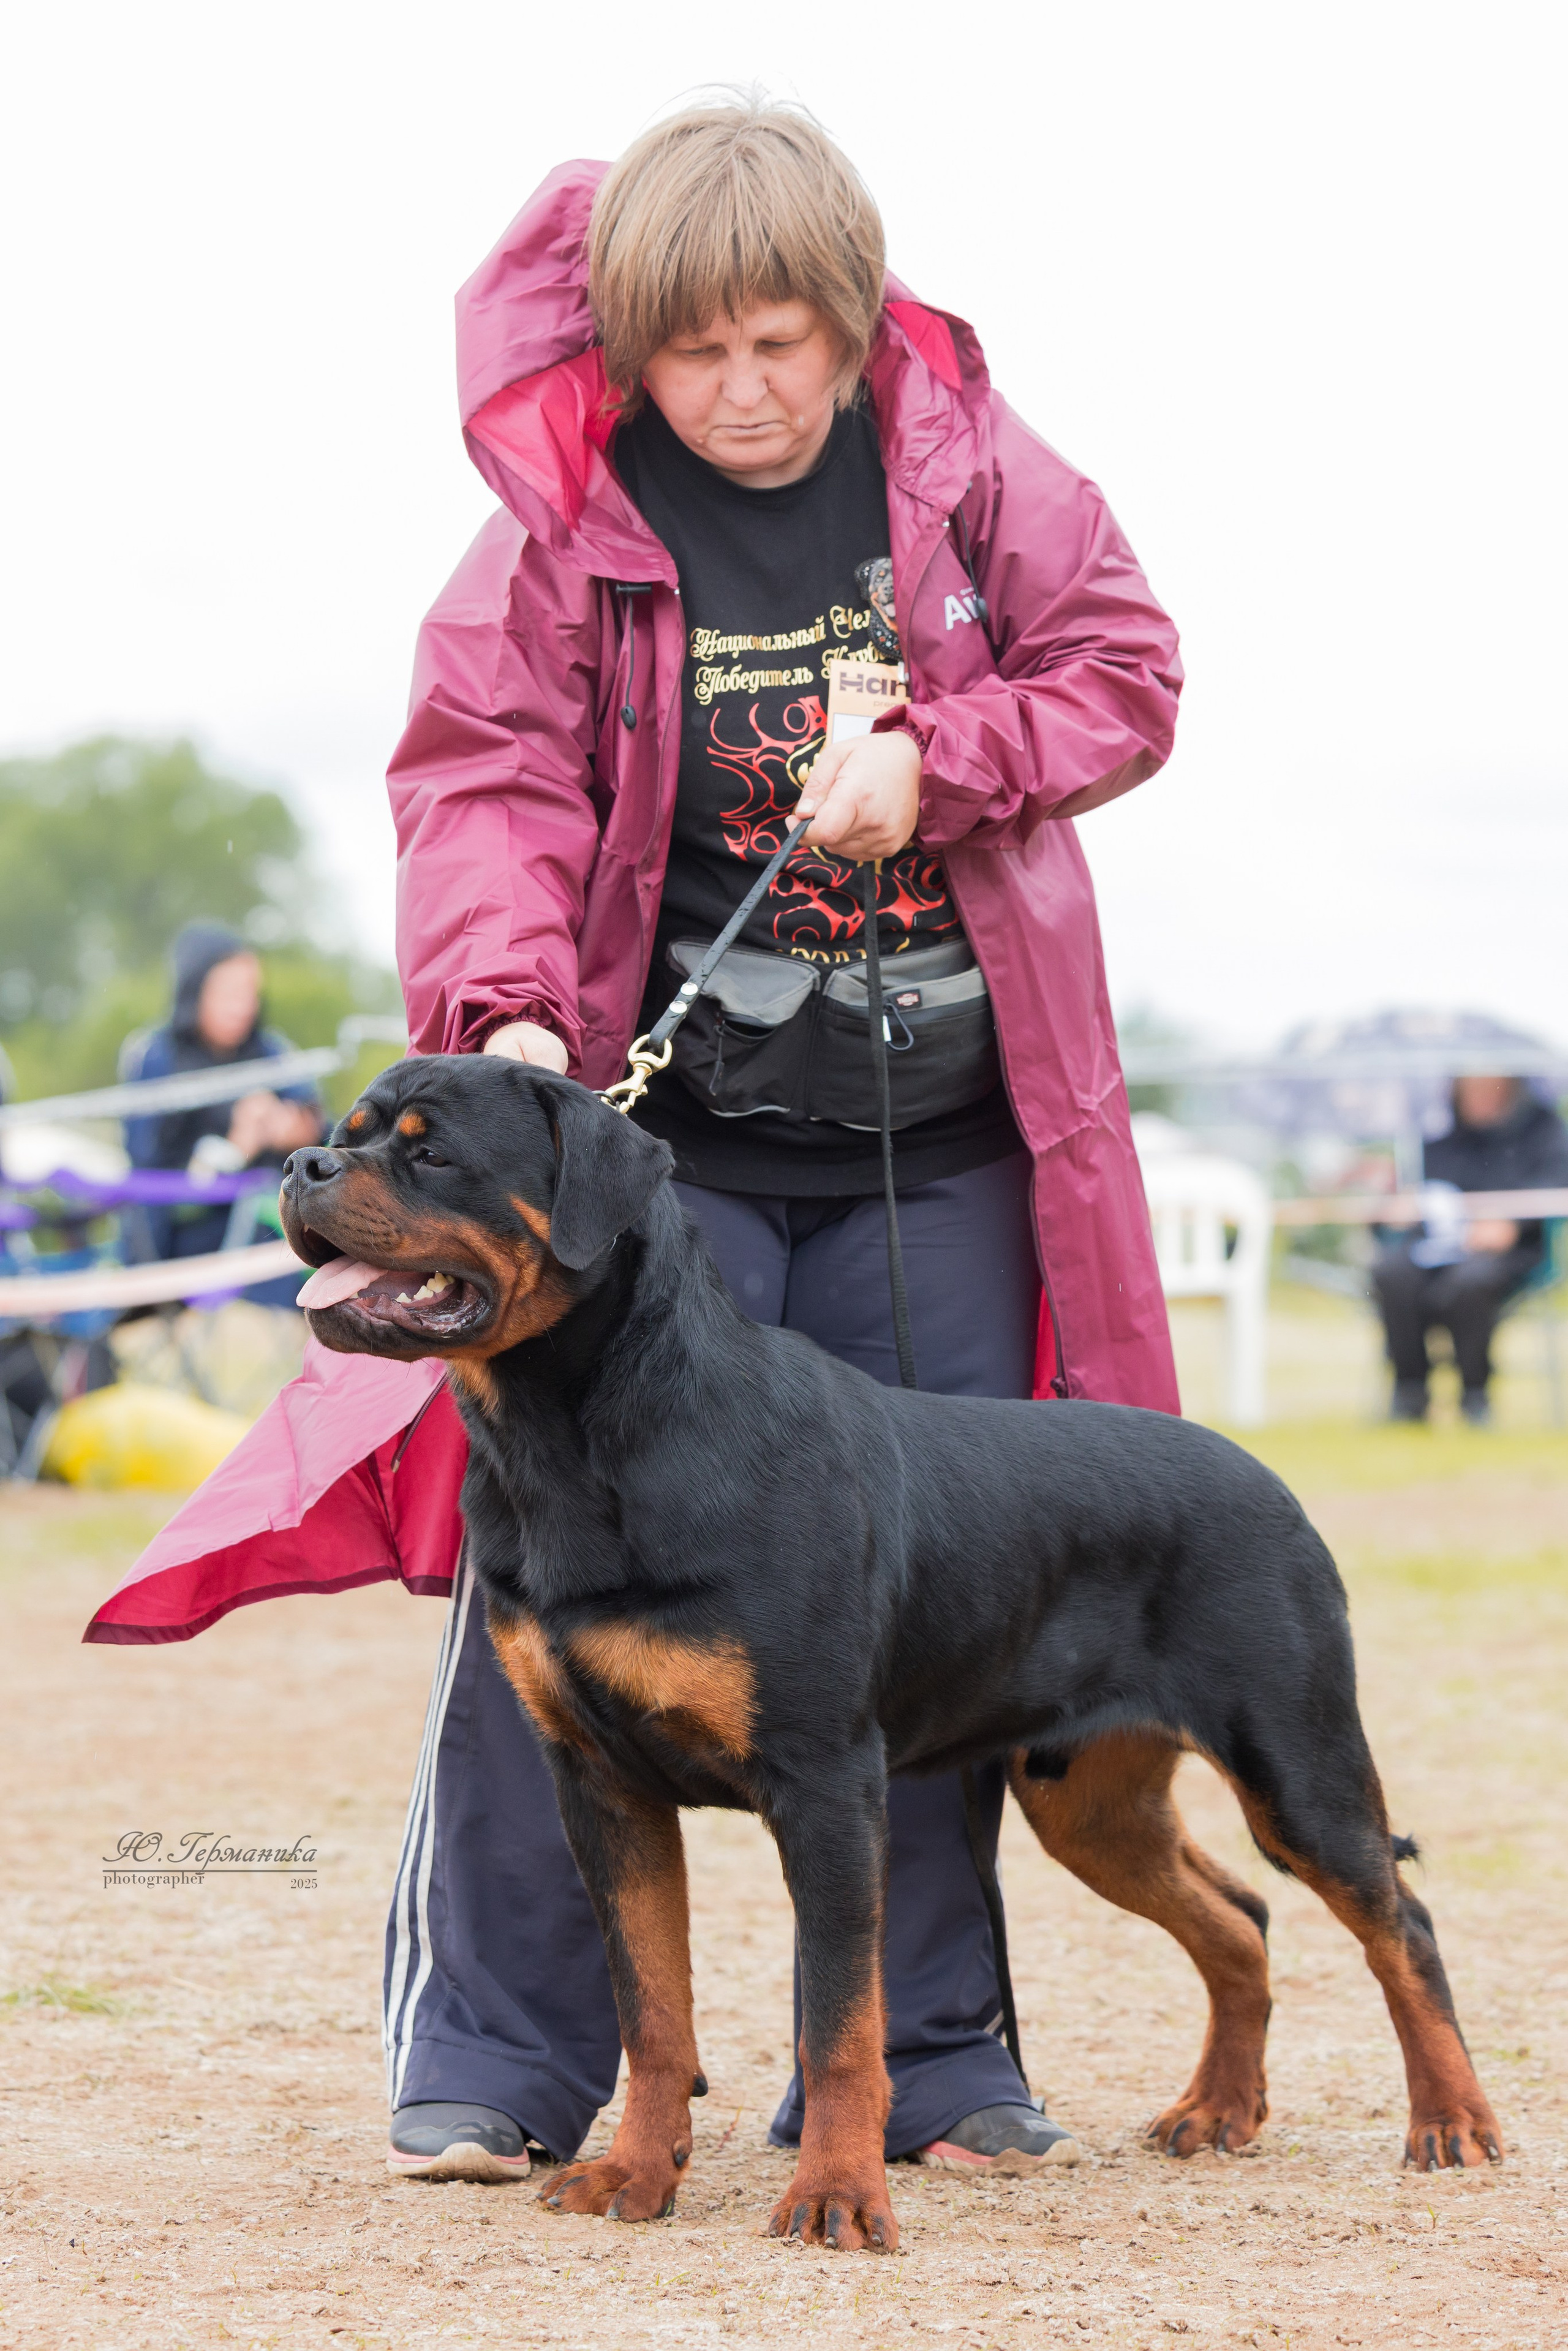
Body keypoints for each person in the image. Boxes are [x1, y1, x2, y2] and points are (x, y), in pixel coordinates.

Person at [381, 97, 1183, 2187]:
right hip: (668, 1180)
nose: (741, 390)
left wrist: (948, 755)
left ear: (850, 316)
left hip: (954, 1150)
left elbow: (1128, 673)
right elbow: (481, 777)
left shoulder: (979, 473)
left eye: (780, 343)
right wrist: (509, 1007)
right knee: (552, 1584)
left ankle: (939, 2052)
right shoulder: (557, 524)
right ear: (626, 345)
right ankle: (498, 2050)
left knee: (937, 1595)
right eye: (693, 351)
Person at [122, 923, 323, 1300]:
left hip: (270, 1223)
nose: (243, 1007)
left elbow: (317, 1124)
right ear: (195, 990)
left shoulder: (272, 1052)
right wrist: (237, 1146)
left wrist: (291, 1129)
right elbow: (147, 1169)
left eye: (251, 993)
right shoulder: (156, 1057)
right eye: (229, 993)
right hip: (182, 1235)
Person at [1374, 1073, 1568, 1424]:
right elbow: (1408, 1196)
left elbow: (1555, 1185)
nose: (1480, 1095)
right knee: (1391, 1273)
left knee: (1471, 1281)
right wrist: (1396, 1203)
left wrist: (1513, 1223)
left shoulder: (1545, 1131)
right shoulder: (1433, 1132)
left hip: (1507, 1251)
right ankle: (1410, 1392)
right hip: (1432, 1244)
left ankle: (1475, 1395)